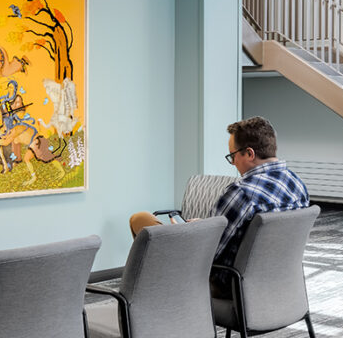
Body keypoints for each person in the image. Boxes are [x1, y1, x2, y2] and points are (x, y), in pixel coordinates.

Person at [129, 116, 310, 297]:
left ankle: (153, 303)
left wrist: (187, 232)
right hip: (278, 283)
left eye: (233, 156)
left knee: (140, 220)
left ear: (249, 154)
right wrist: (206, 225)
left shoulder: (242, 193)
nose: (233, 163)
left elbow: (207, 253)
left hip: (228, 285)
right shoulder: (298, 185)